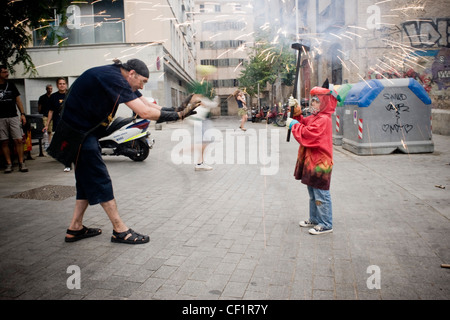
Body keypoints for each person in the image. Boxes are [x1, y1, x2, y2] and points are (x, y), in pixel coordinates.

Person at [60, 58, 200, 244]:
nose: (142, 86)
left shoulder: (118, 77)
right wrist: (178, 116)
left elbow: (148, 105)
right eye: (142, 81)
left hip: (82, 133)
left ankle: (75, 228)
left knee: (86, 182)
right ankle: (120, 230)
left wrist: (177, 110)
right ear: (132, 74)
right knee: (100, 179)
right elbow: (145, 113)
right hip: (79, 134)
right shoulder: (115, 79)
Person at [286, 86, 339, 235]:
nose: (312, 104)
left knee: (321, 193)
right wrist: (295, 111)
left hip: (320, 162)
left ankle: (326, 223)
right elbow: (303, 122)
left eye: (316, 101)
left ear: (323, 103)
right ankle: (315, 218)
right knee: (313, 192)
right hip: (313, 161)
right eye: (312, 101)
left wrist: (294, 125)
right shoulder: (316, 117)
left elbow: (308, 133)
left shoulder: (323, 119)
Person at [0, 65, 28, 173]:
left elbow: (18, 100)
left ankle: (21, 162)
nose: (7, 74)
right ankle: (9, 164)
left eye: (7, 72)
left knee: (19, 140)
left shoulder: (11, 85)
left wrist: (22, 113)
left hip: (13, 116)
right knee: (4, 141)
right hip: (1, 118)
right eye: (4, 72)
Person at [44, 77, 71, 172]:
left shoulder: (70, 94)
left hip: (70, 123)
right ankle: (67, 161)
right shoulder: (53, 97)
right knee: (62, 144)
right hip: (58, 123)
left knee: (69, 143)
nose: (62, 85)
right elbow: (50, 112)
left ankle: (68, 164)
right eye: (60, 84)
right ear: (57, 85)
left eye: (63, 83)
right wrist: (47, 125)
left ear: (66, 85)